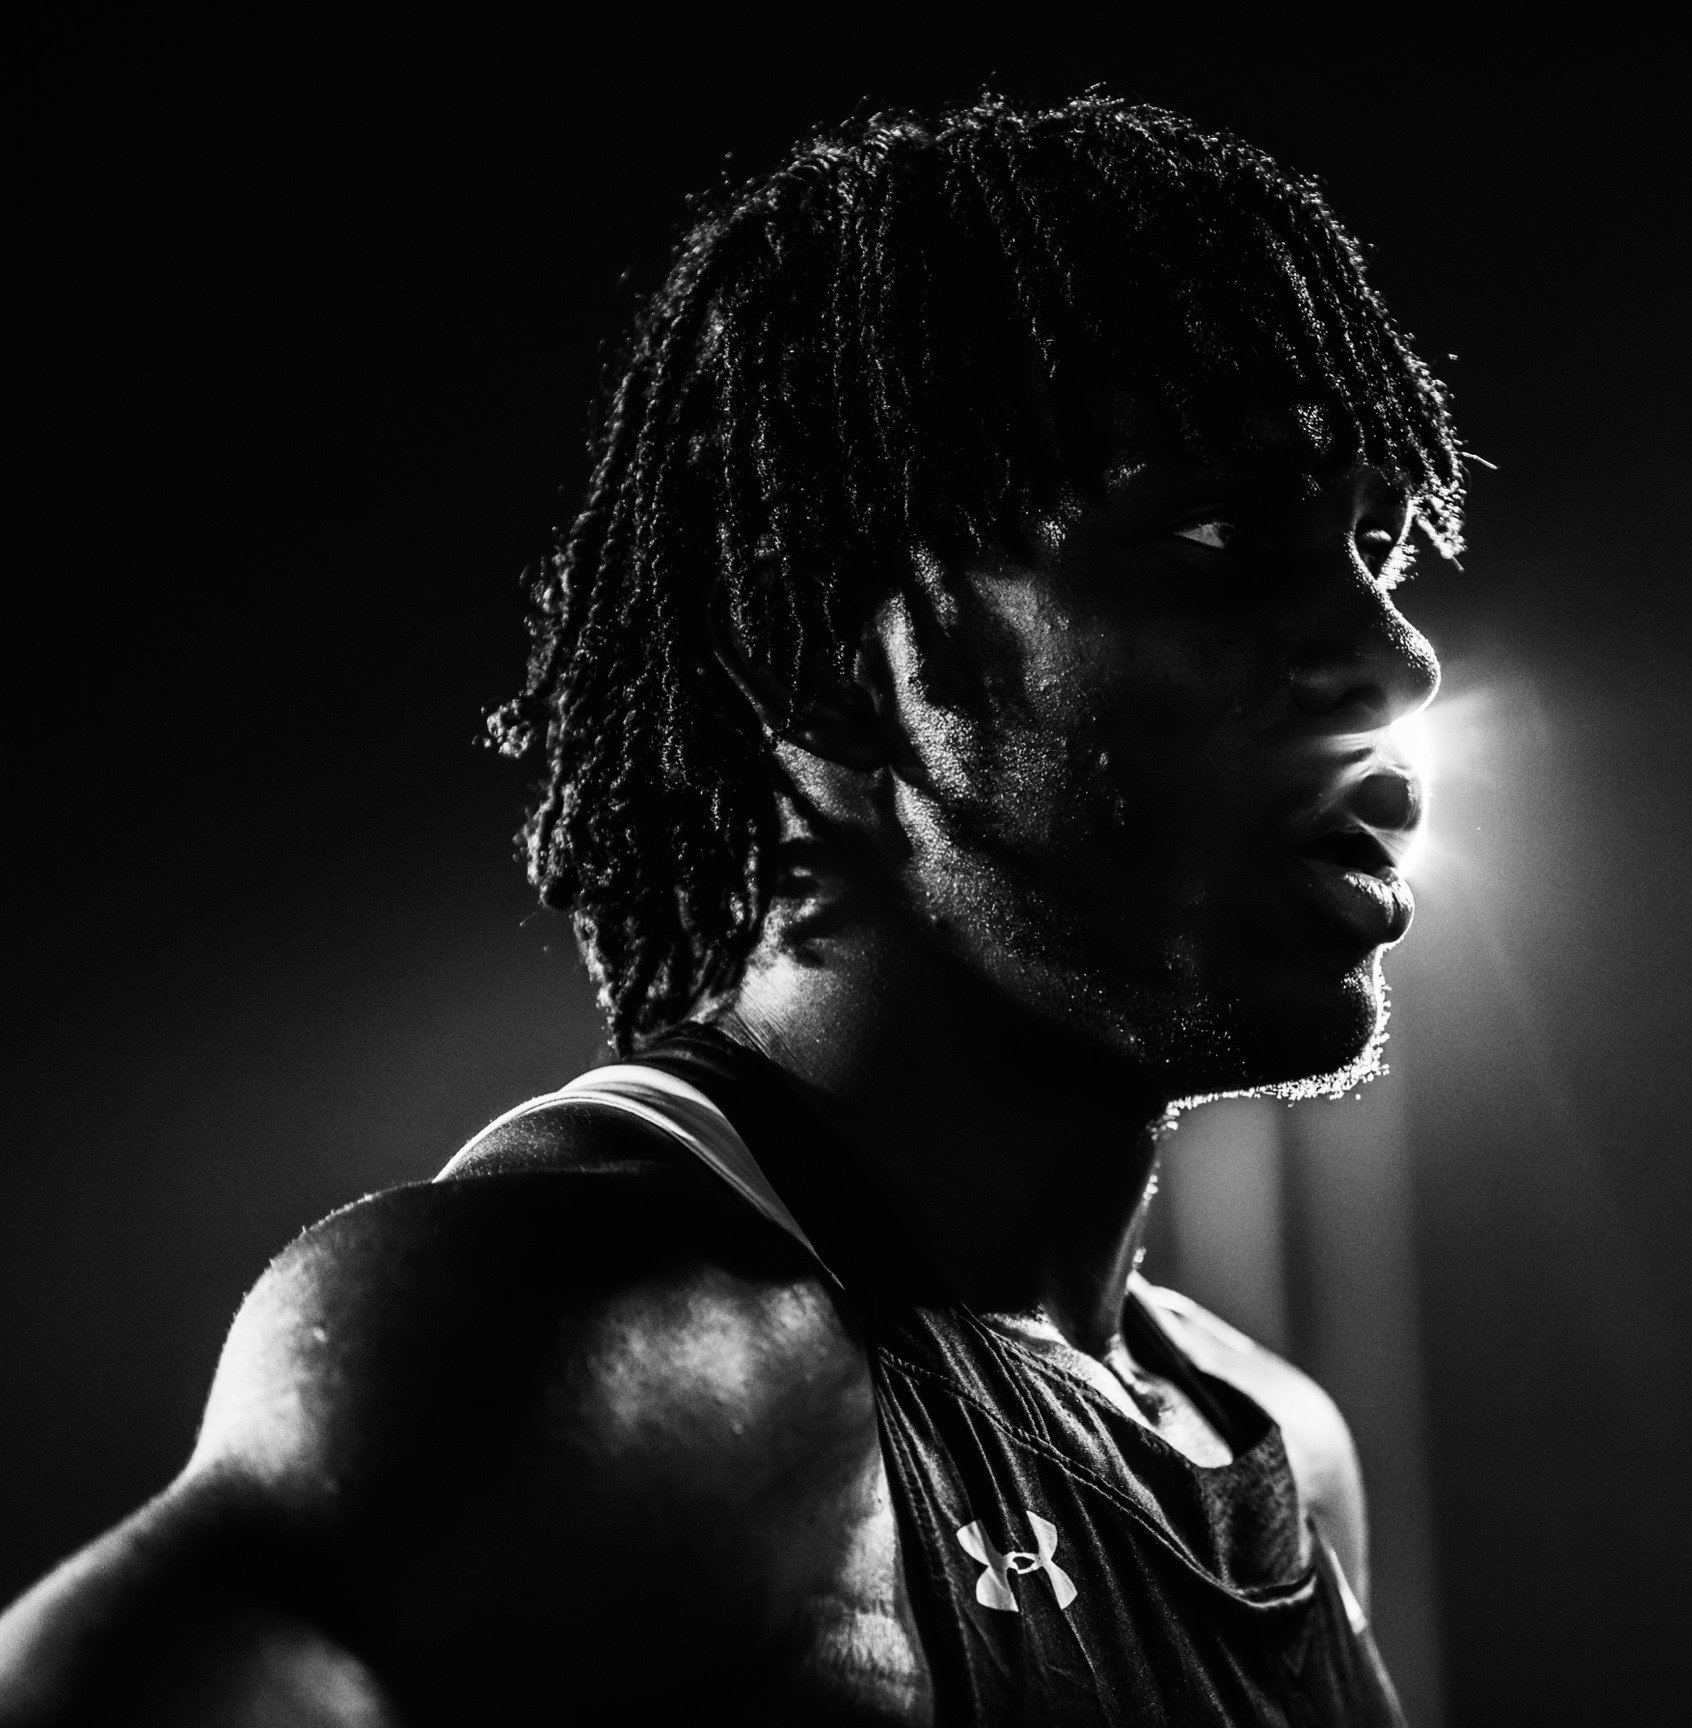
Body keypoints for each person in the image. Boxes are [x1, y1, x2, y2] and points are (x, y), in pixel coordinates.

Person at [0, 92, 1461, 1725]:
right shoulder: (607, 1359)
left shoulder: (1274, 1449)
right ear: (837, 662)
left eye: (1380, 549)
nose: (1396, 659)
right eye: (1216, 534)